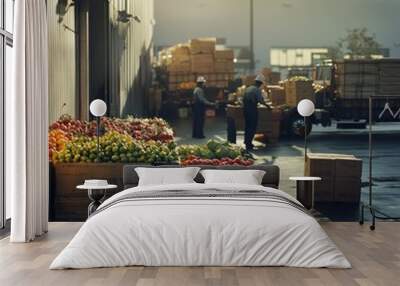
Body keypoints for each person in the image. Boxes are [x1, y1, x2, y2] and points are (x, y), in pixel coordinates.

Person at [243, 74, 267, 150]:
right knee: (252, 126)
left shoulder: (249, 88)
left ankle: (246, 142)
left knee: (247, 126)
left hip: (246, 109)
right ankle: (249, 144)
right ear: (260, 83)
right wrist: (268, 106)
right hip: (252, 109)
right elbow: (261, 101)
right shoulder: (256, 90)